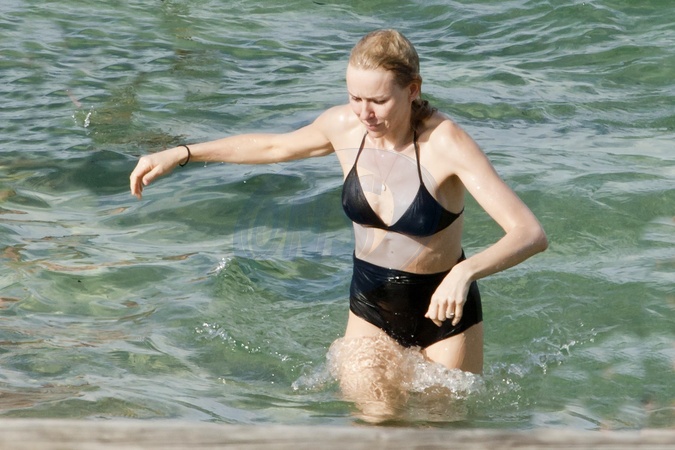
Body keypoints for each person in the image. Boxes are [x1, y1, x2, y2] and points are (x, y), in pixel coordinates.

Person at [130, 29, 548, 421]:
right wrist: (183, 153)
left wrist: (464, 272)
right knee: (375, 421)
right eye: (355, 97)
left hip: (446, 314)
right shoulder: (344, 127)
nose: (365, 112)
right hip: (370, 307)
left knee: (438, 429)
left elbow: (529, 233)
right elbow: (273, 146)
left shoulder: (445, 143)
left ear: (412, 89)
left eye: (378, 101)